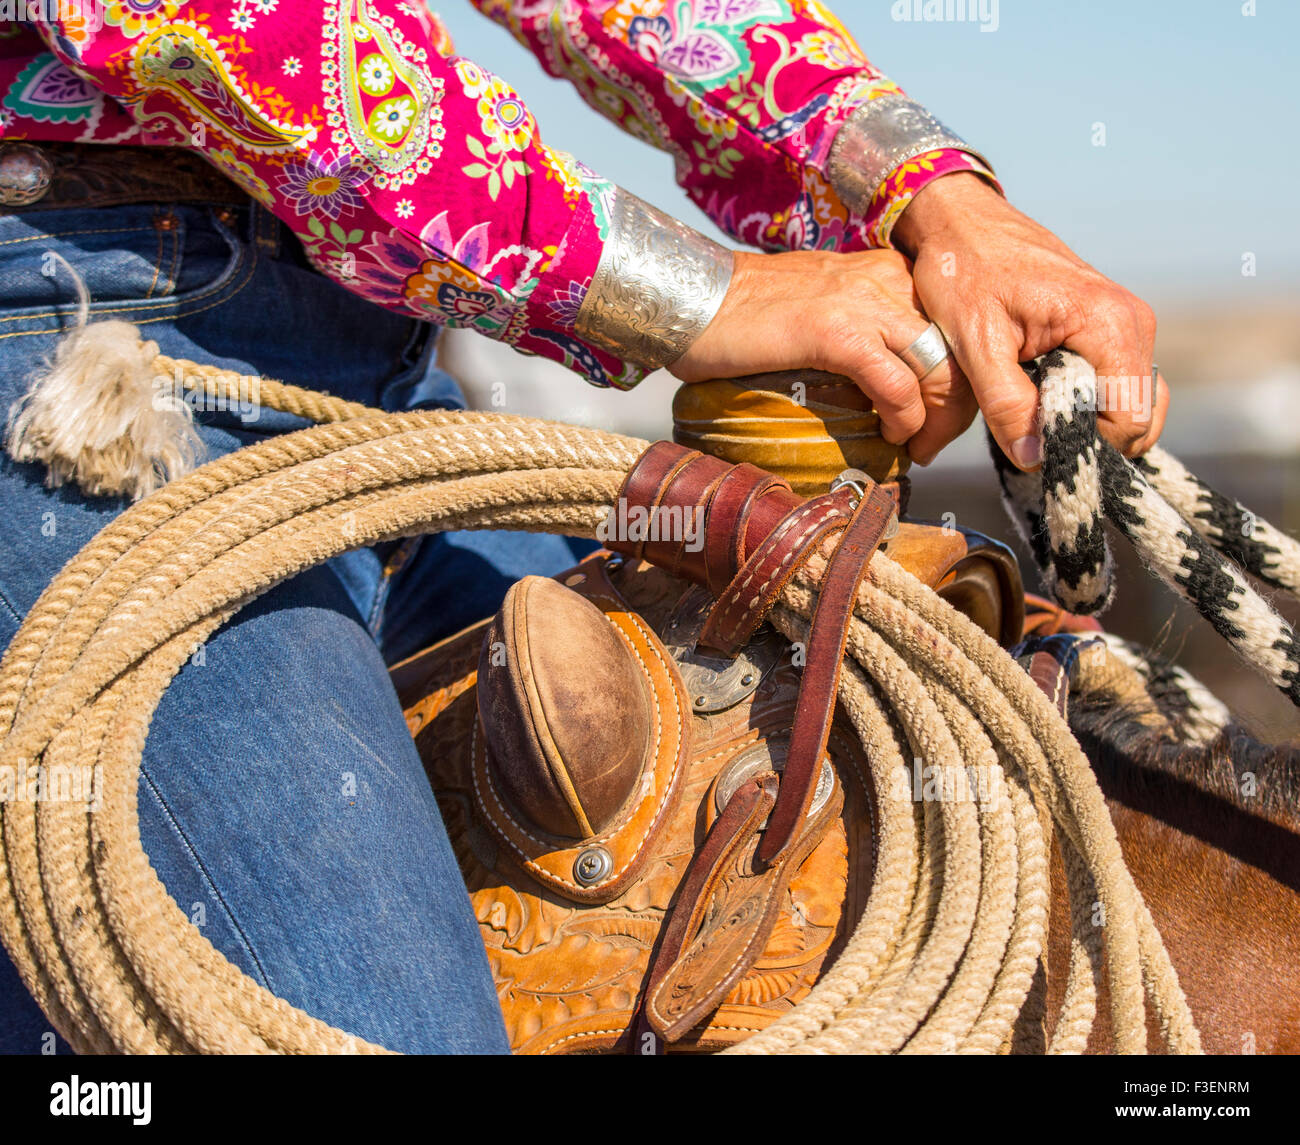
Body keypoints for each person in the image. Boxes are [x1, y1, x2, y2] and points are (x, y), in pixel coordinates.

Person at [0, 1, 1167, 1053]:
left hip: (366, 353)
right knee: (392, 1030)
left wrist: (929, 192)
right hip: (81, 351)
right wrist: (691, 291)